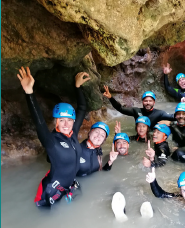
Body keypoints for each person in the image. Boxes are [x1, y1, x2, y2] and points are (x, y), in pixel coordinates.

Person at [17, 67, 89, 207]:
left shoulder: (73, 132)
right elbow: (39, 123)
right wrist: (29, 92)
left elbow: (82, 107)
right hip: (50, 191)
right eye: (61, 120)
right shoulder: (51, 141)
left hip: (70, 185)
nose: (66, 124)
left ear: (73, 121)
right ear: (56, 122)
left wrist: (77, 86)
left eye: (69, 120)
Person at [103, 86, 175, 128]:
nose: (148, 103)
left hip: (151, 136)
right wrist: (110, 98)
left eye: (150, 101)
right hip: (138, 136)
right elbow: (120, 109)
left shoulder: (159, 113)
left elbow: (174, 117)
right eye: (146, 101)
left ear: (154, 102)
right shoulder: (136, 111)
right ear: (142, 102)